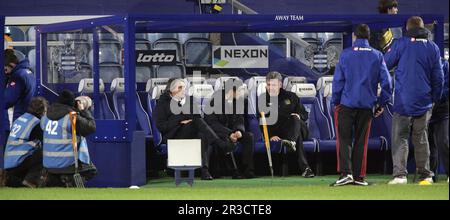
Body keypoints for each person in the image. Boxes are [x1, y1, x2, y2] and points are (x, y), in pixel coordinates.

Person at [330, 24, 393, 186]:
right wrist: (381, 103)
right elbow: (387, 83)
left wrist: (335, 101)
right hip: (367, 106)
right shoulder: (377, 56)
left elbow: (338, 82)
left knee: (344, 139)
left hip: (346, 104)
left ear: (354, 37)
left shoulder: (346, 54)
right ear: (369, 37)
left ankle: (346, 174)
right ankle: (358, 176)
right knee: (361, 141)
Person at [384, 16, 444, 185]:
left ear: (407, 28)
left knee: (400, 137)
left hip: (403, 101)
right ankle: (426, 176)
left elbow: (385, 63)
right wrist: (434, 99)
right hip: (424, 101)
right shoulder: (433, 48)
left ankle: (400, 175)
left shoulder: (401, 44)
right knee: (421, 138)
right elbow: (438, 78)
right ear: (423, 28)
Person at [153, 78, 234, 180]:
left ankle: (205, 171)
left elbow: (196, 116)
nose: (184, 90)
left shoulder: (190, 100)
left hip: (192, 129)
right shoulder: (162, 103)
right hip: (173, 134)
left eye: (184, 87)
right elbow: (161, 126)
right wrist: (180, 120)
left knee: (202, 134)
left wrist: (186, 118)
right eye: (180, 87)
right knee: (197, 122)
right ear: (171, 90)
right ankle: (220, 144)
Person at [257, 71, 315, 178]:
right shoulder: (263, 100)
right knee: (298, 137)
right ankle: (306, 168)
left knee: (294, 118)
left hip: (299, 127)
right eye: (268, 85)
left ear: (280, 84)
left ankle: (291, 141)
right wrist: (270, 136)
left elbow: (304, 114)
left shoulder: (291, 96)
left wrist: (298, 116)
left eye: (273, 85)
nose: (270, 88)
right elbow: (262, 122)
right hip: (281, 132)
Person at [39, 90, 97, 187]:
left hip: (48, 165)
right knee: (91, 170)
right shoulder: (71, 117)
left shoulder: (45, 118)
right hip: (68, 165)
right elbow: (91, 127)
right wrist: (83, 110)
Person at [205, 79, 255, 179]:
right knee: (226, 140)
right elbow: (213, 124)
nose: (242, 92)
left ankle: (248, 171)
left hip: (233, 132)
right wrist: (230, 133)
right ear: (232, 91)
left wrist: (239, 131)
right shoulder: (214, 102)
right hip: (220, 133)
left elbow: (240, 120)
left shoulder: (239, 102)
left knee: (249, 136)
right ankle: (234, 172)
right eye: (240, 90)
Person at [1, 49, 36, 186]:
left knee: (13, 155)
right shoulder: (28, 72)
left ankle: (10, 181)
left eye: (5, 68)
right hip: (27, 120)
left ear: (11, 64)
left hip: (18, 121)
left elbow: (7, 101)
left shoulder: (17, 77)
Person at [3, 97, 48, 187]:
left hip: (8, 163)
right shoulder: (36, 124)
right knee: (44, 152)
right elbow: (46, 143)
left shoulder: (21, 119)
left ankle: (12, 180)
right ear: (42, 111)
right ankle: (30, 181)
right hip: (18, 163)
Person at [429, 58, 449, 183]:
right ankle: (430, 175)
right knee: (428, 145)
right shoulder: (422, 64)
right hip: (425, 107)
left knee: (443, 142)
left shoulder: (445, 64)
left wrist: (437, 98)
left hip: (442, 109)